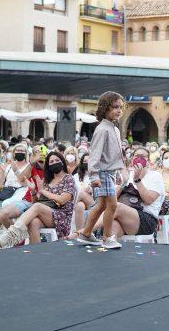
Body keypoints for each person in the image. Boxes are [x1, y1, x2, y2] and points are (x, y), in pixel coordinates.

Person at [74, 91, 126, 249]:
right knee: (112, 205)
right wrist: (94, 176)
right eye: (115, 107)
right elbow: (95, 155)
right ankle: (107, 237)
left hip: (109, 172)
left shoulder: (114, 129)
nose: (119, 110)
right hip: (102, 172)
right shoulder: (102, 129)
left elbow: (114, 155)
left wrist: (117, 173)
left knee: (102, 205)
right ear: (105, 108)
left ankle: (86, 233)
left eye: (121, 107)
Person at [0, 152, 77, 247]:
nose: (54, 163)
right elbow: (37, 203)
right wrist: (33, 190)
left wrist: (42, 190)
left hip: (62, 217)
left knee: (37, 207)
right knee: (33, 223)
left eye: (57, 160)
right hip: (48, 214)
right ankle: (36, 254)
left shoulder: (68, 179)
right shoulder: (47, 180)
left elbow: (62, 200)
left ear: (62, 162)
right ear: (48, 165)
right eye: (51, 161)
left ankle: (12, 235)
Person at [91, 146, 165, 239]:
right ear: (132, 158)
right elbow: (112, 198)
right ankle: (107, 246)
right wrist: (123, 183)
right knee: (113, 226)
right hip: (122, 216)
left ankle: (86, 231)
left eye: (143, 157)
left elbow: (148, 200)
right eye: (136, 156)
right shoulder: (128, 175)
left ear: (148, 161)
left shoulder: (155, 176)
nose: (139, 159)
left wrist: (137, 180)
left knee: (116, 206)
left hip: (146, 219)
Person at [0, 143, 31, 213]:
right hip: (8, 190)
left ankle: (7, 223)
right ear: (14, 153)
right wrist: (0, 168)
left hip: (21, 191)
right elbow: (1, 182)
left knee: (6, 203)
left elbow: (23, 182)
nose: (20, 152)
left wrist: (16, 171)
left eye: (22, 151)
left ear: (26, 153)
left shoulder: (29, 166)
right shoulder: (9, 166)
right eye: (18, 150)